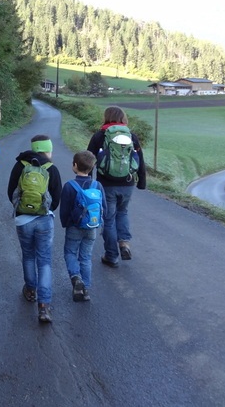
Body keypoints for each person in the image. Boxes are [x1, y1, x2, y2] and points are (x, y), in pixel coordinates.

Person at [7, 134, 62, 323]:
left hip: (23, 221)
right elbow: (57, 197)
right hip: (44, 220)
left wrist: (22, 209)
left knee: (28, 255)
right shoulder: (51, 168)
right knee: (44, 260)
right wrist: (45, 210)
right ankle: (44, 306)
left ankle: (30, 290)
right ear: (48, 150)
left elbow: (10, 191)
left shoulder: (20, 165)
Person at [87, 106, 146, 268]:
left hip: (106, 184)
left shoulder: (100, 136)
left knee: (108, 219)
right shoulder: (131, 136)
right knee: (123, 212)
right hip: (127, 183)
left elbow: (88, 160)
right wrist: (142, 181)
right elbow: (140, 159)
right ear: (123, 118)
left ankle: (111, 256)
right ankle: (124, 243)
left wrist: (88, 183)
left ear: (106, 117)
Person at [59, 150, 107, 302]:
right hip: (92, 226)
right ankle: (84, 289)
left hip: (74, 226)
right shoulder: (97, 185)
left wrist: (65, 223)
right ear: (92, 167)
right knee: (85, 257)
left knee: (70, 253)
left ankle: (75, 277)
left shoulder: (69, 186)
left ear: (74, 166)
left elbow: (65, 209)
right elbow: (103, 206)